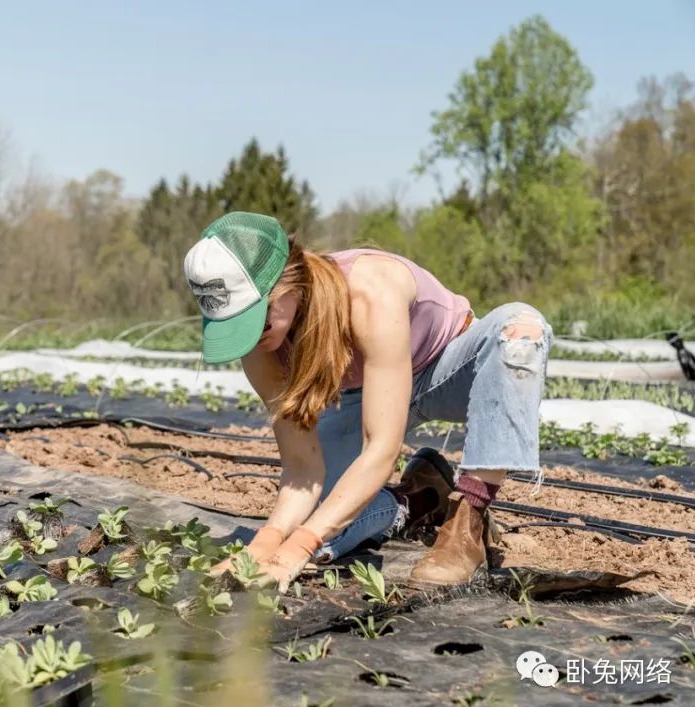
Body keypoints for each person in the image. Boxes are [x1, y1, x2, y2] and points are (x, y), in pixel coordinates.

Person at [185, 211, 552, 590]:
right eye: (235, 327)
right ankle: (418, 498)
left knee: (520, 331)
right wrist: (268, 542)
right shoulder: (261, 348)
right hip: (366, 395)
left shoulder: (368, 290)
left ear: (288, 282)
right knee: (323, 522)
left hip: (448, 369)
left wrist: (299, 547)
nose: (253, 338)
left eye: (257, 320)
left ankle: (468, 520)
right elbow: (302, 468)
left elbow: (381, 449)